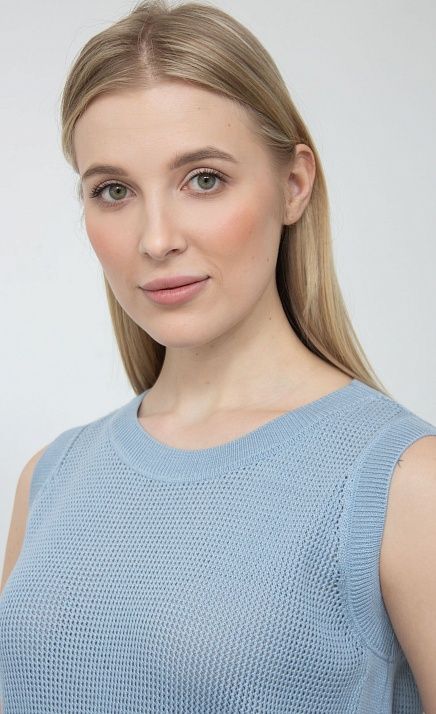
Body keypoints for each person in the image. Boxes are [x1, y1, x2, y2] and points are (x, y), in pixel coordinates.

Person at [1, 1, 435, 712]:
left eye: (203, 178)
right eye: (114, 191)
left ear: (294, 184)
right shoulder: (49, 479)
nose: (156, 238)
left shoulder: (404, 484)